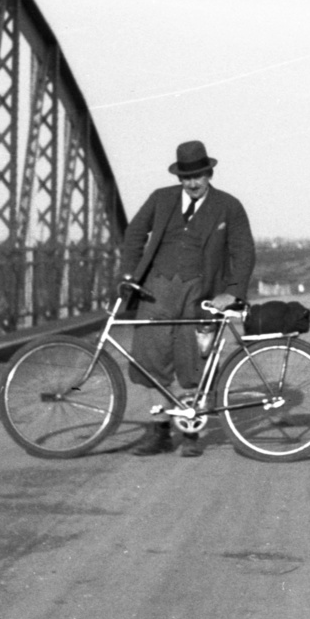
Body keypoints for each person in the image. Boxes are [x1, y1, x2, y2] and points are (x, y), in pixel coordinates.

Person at [118, 140, 255, 457]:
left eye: (198, 176)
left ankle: (191, 435)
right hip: (156, 290)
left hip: (200, 293)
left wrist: (232, 292)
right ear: (179, 177)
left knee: (192, 361)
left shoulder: (228, 206)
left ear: (209, 173)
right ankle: (160, 432)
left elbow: (243, 251)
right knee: (151, 360)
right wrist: (128, 274)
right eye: (186, 177)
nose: (192, 183)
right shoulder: (161, 199)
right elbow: (135, 233)